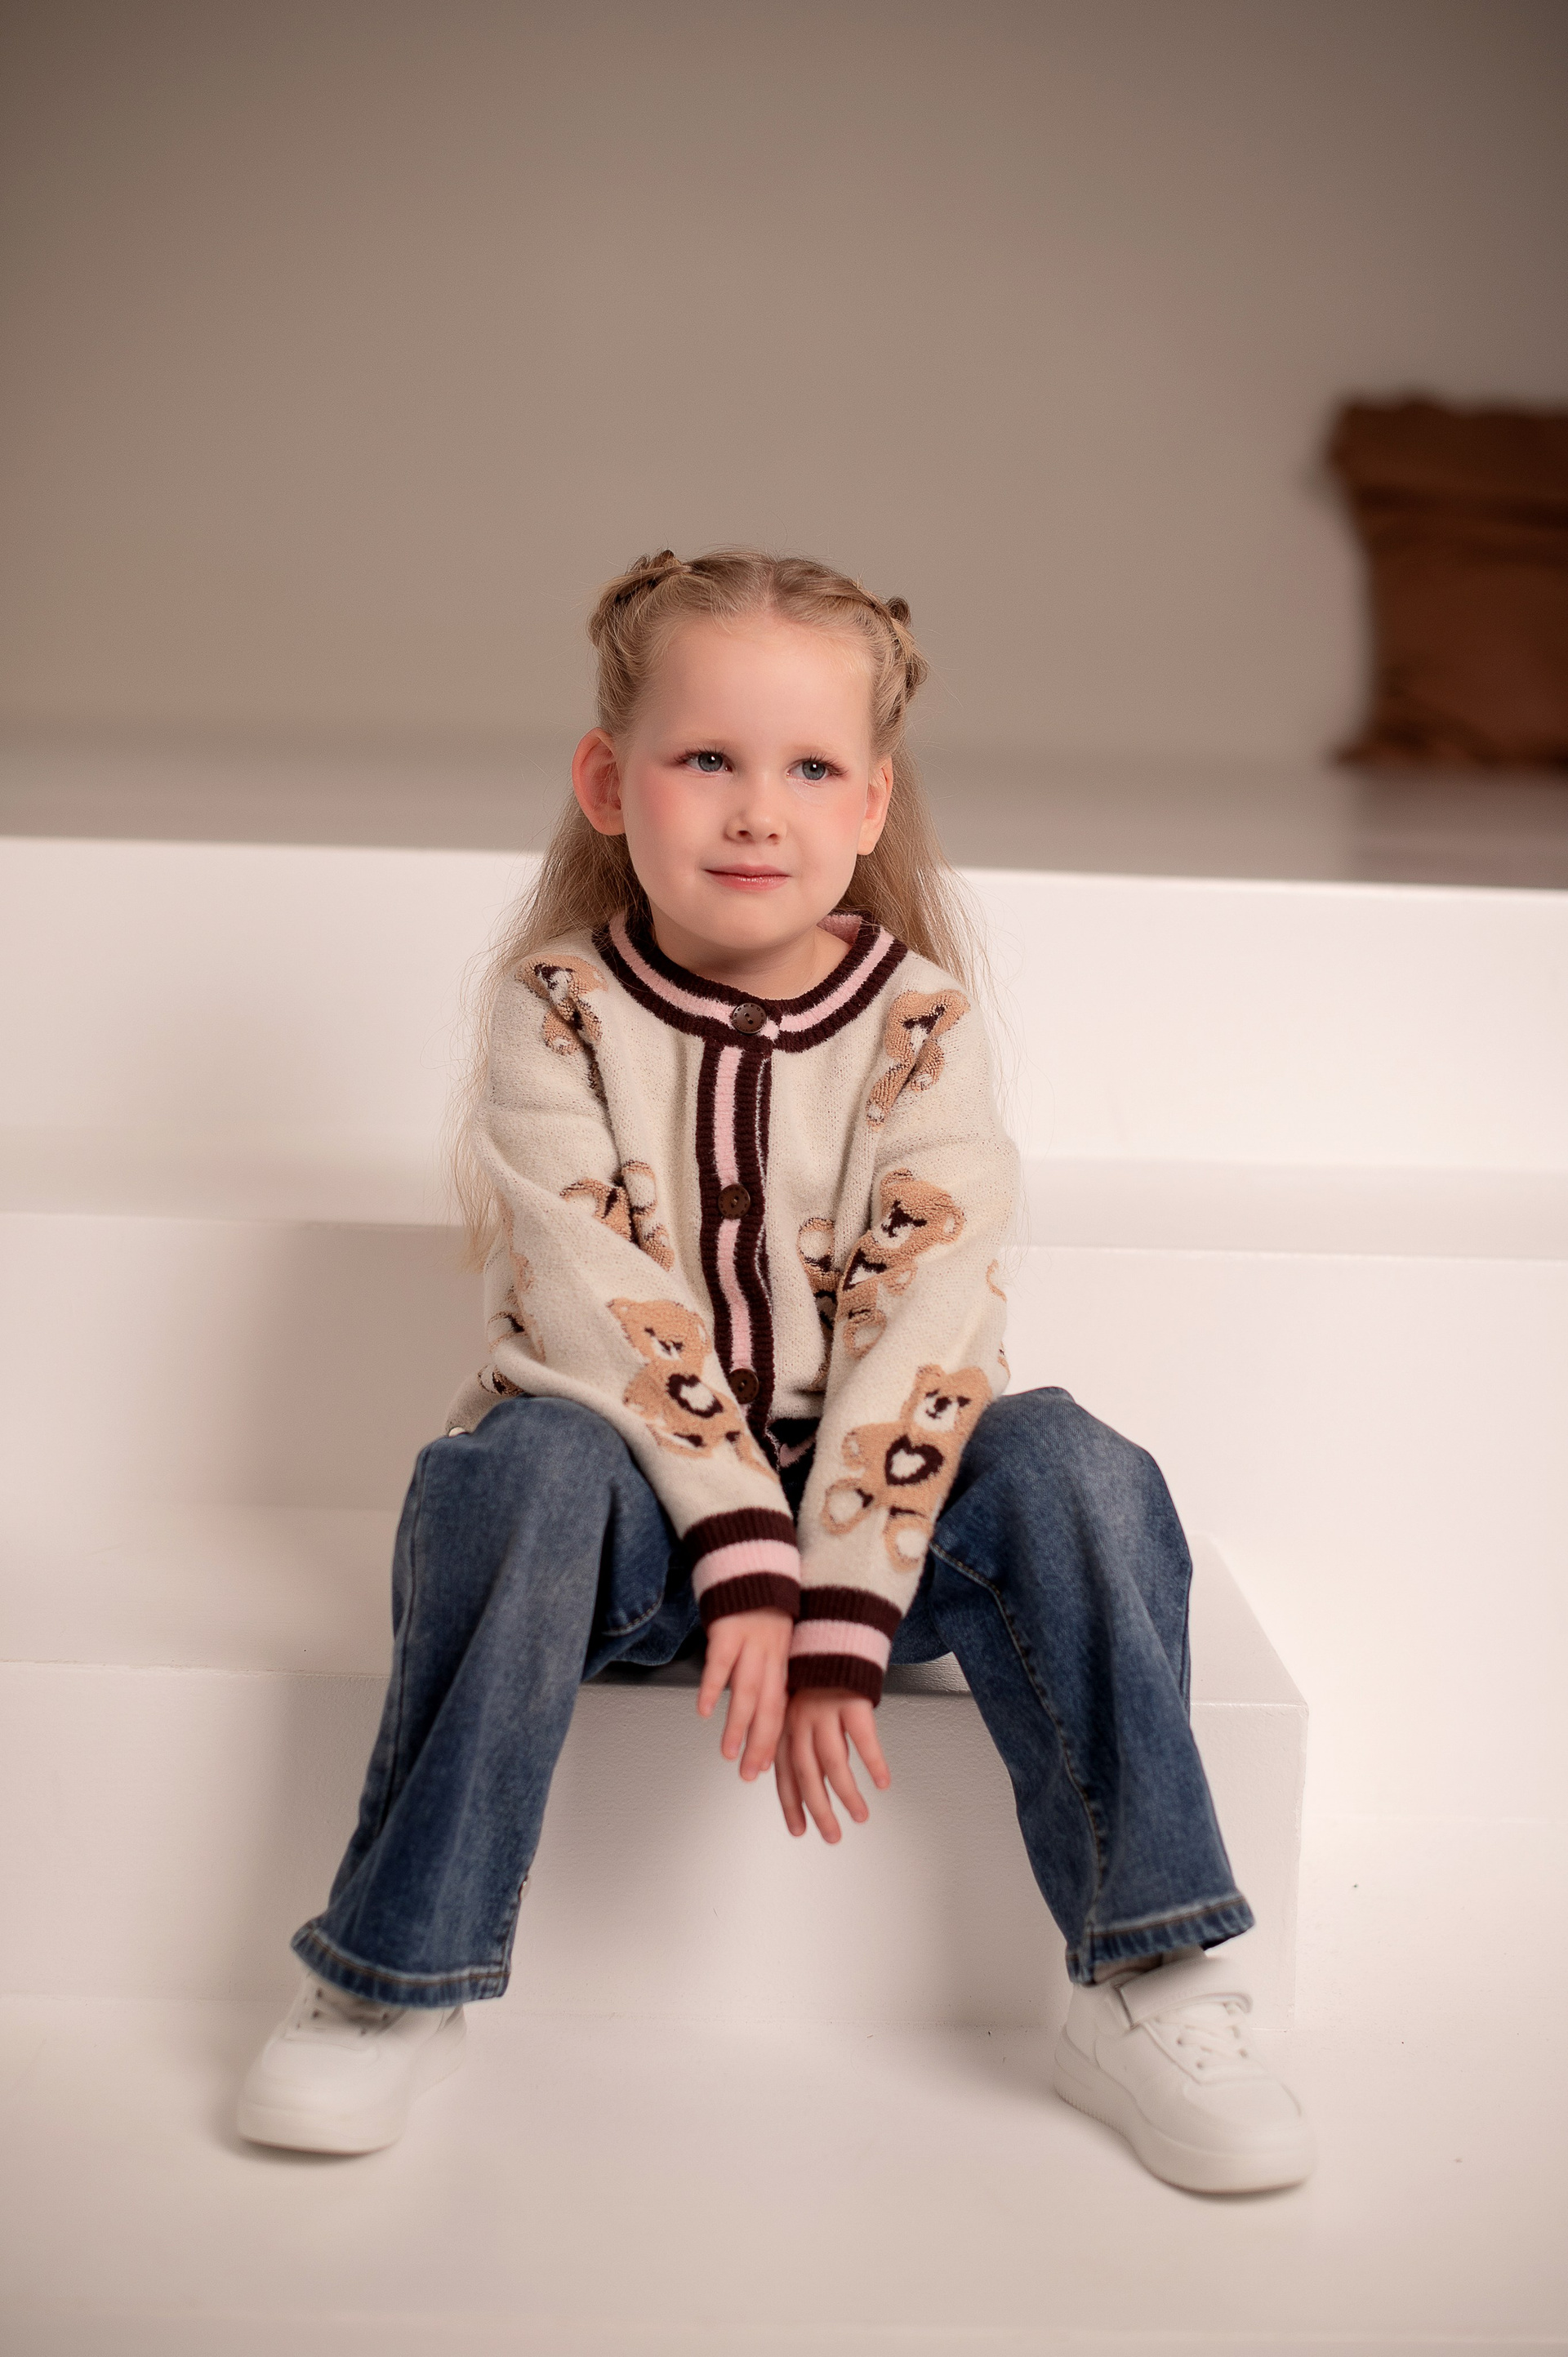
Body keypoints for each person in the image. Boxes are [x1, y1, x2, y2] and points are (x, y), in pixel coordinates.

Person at [238, 549, 1313, 2194]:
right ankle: (391, 1975)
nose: (758, 810)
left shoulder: (920, 1029)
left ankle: (1151, 1972)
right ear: (611, 782)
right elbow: (595, 1303)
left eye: (810, 767)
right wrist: (744, 1554)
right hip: (627, 1526)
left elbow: (931, 1314)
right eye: (707, 758)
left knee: (1075, 1463)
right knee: (515, 1472)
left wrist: (842, 1592)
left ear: (872, 804)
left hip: (880, 1532)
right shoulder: (558, 1010)